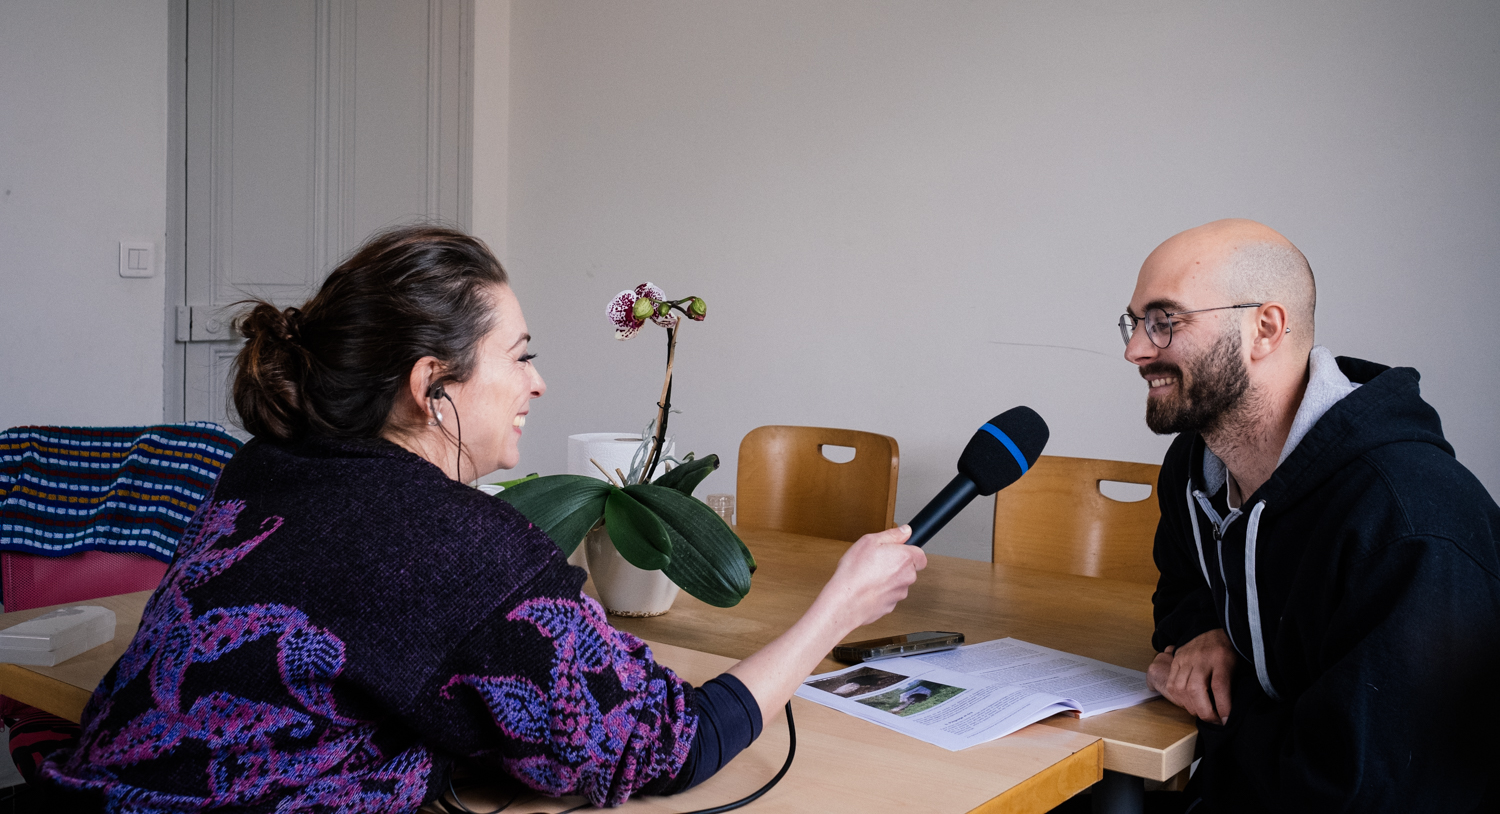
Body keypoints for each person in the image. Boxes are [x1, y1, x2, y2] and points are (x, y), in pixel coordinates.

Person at [37, 225, 926, 812]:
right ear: (432, 387)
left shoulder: (265, 468)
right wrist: (835, 611)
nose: (537, 382)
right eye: (520, 356)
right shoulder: (458, 549)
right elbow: (668, 745)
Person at [1122, 218, 1500, 812]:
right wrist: (1204, 634)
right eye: (1136, 322)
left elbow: (1360, 789)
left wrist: (1238, 705)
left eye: (1165, 321)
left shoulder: (1410, 525)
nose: (1136, 349)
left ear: (1264, 328)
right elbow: (1180, 602)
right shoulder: (1198, 467)